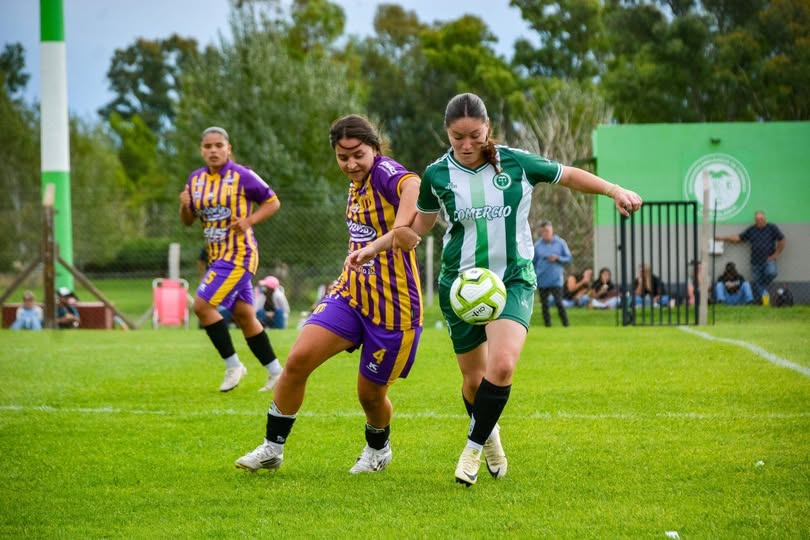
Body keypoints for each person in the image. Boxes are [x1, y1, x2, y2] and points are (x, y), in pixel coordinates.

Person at [353, 92, 642, 487]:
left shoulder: (516, 163)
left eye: (475, 135)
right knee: (474, 382)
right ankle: (490, 435)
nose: (466, 144)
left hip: (512, 280)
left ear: (488, 128)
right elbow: (417, 227)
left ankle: (472, 448)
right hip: (460, 286)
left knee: (502, 366)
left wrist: (614, 190)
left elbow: (568, 175)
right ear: (447, 133)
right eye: (457, 138)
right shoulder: (437, 175)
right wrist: (379, 245)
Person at [235, 114, 423, 474]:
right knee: (297, 360)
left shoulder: (384, 172)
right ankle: (272, 448)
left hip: (393, 308)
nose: (350, 164)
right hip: (351, 294)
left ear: (374, 148)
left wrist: (400, 227)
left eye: (358, 155)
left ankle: (378, 450)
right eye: (342, 157)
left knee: (370, 395)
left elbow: (412, 183)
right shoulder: (357, 185)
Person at [179, 126, 282, 393]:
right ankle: (276, 373)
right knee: (245, 316)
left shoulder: (242, 175)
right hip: (216, 258)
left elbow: (272, 202)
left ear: (228, 148)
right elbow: (188, 221)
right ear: (201, 150)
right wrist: (185, 205)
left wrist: (249, 220)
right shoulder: (195, 179)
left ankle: (233, 366)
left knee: (202, 306)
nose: (213, 150)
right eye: (208, 146)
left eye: (218, 145)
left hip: (239, 255)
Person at [715, 211, 785, 303]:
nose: (759, 221)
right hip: (755, 262)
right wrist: (723, 238)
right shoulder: (752, 230)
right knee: (757, 282)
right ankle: (765, 300)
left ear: (765, 219)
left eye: (761, 219)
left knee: (771, 273)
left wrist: (776, 254)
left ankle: (762, 289)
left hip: (768, 260)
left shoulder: (772, 228)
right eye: (757, 220)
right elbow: (738, 238)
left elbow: (782, 240)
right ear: (755, 220)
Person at [532, 220, 571, 327]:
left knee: (559, 302)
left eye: (547, 231)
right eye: (543, 231)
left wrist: (558, 258)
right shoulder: (537, 246)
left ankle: (566, 324)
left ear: (552, 230)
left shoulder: (560, 243)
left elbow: (568, 258)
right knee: (545, 304)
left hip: (556, 280)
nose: (545, 233)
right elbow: (533, 262)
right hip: (542, 279)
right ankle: (547, 325)